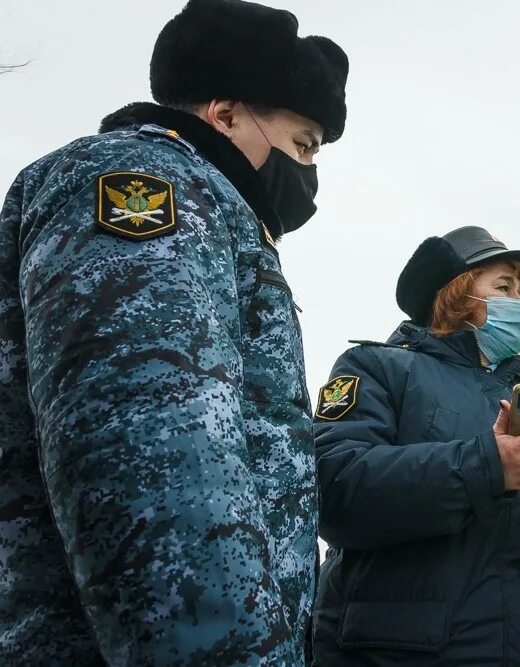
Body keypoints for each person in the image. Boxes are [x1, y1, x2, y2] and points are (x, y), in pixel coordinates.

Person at [0, 1, 348, 663]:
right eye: (303, 143)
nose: (309, 173)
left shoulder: (208, 208)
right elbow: (154, 467)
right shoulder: (151, 189)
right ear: (225, 113)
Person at [312, 226, 520, 665]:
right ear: (456, 294)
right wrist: (488, 466)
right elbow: (336, 489)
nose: (519, 302)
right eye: (503, 286)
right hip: (402, 652)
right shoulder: (375, 368)